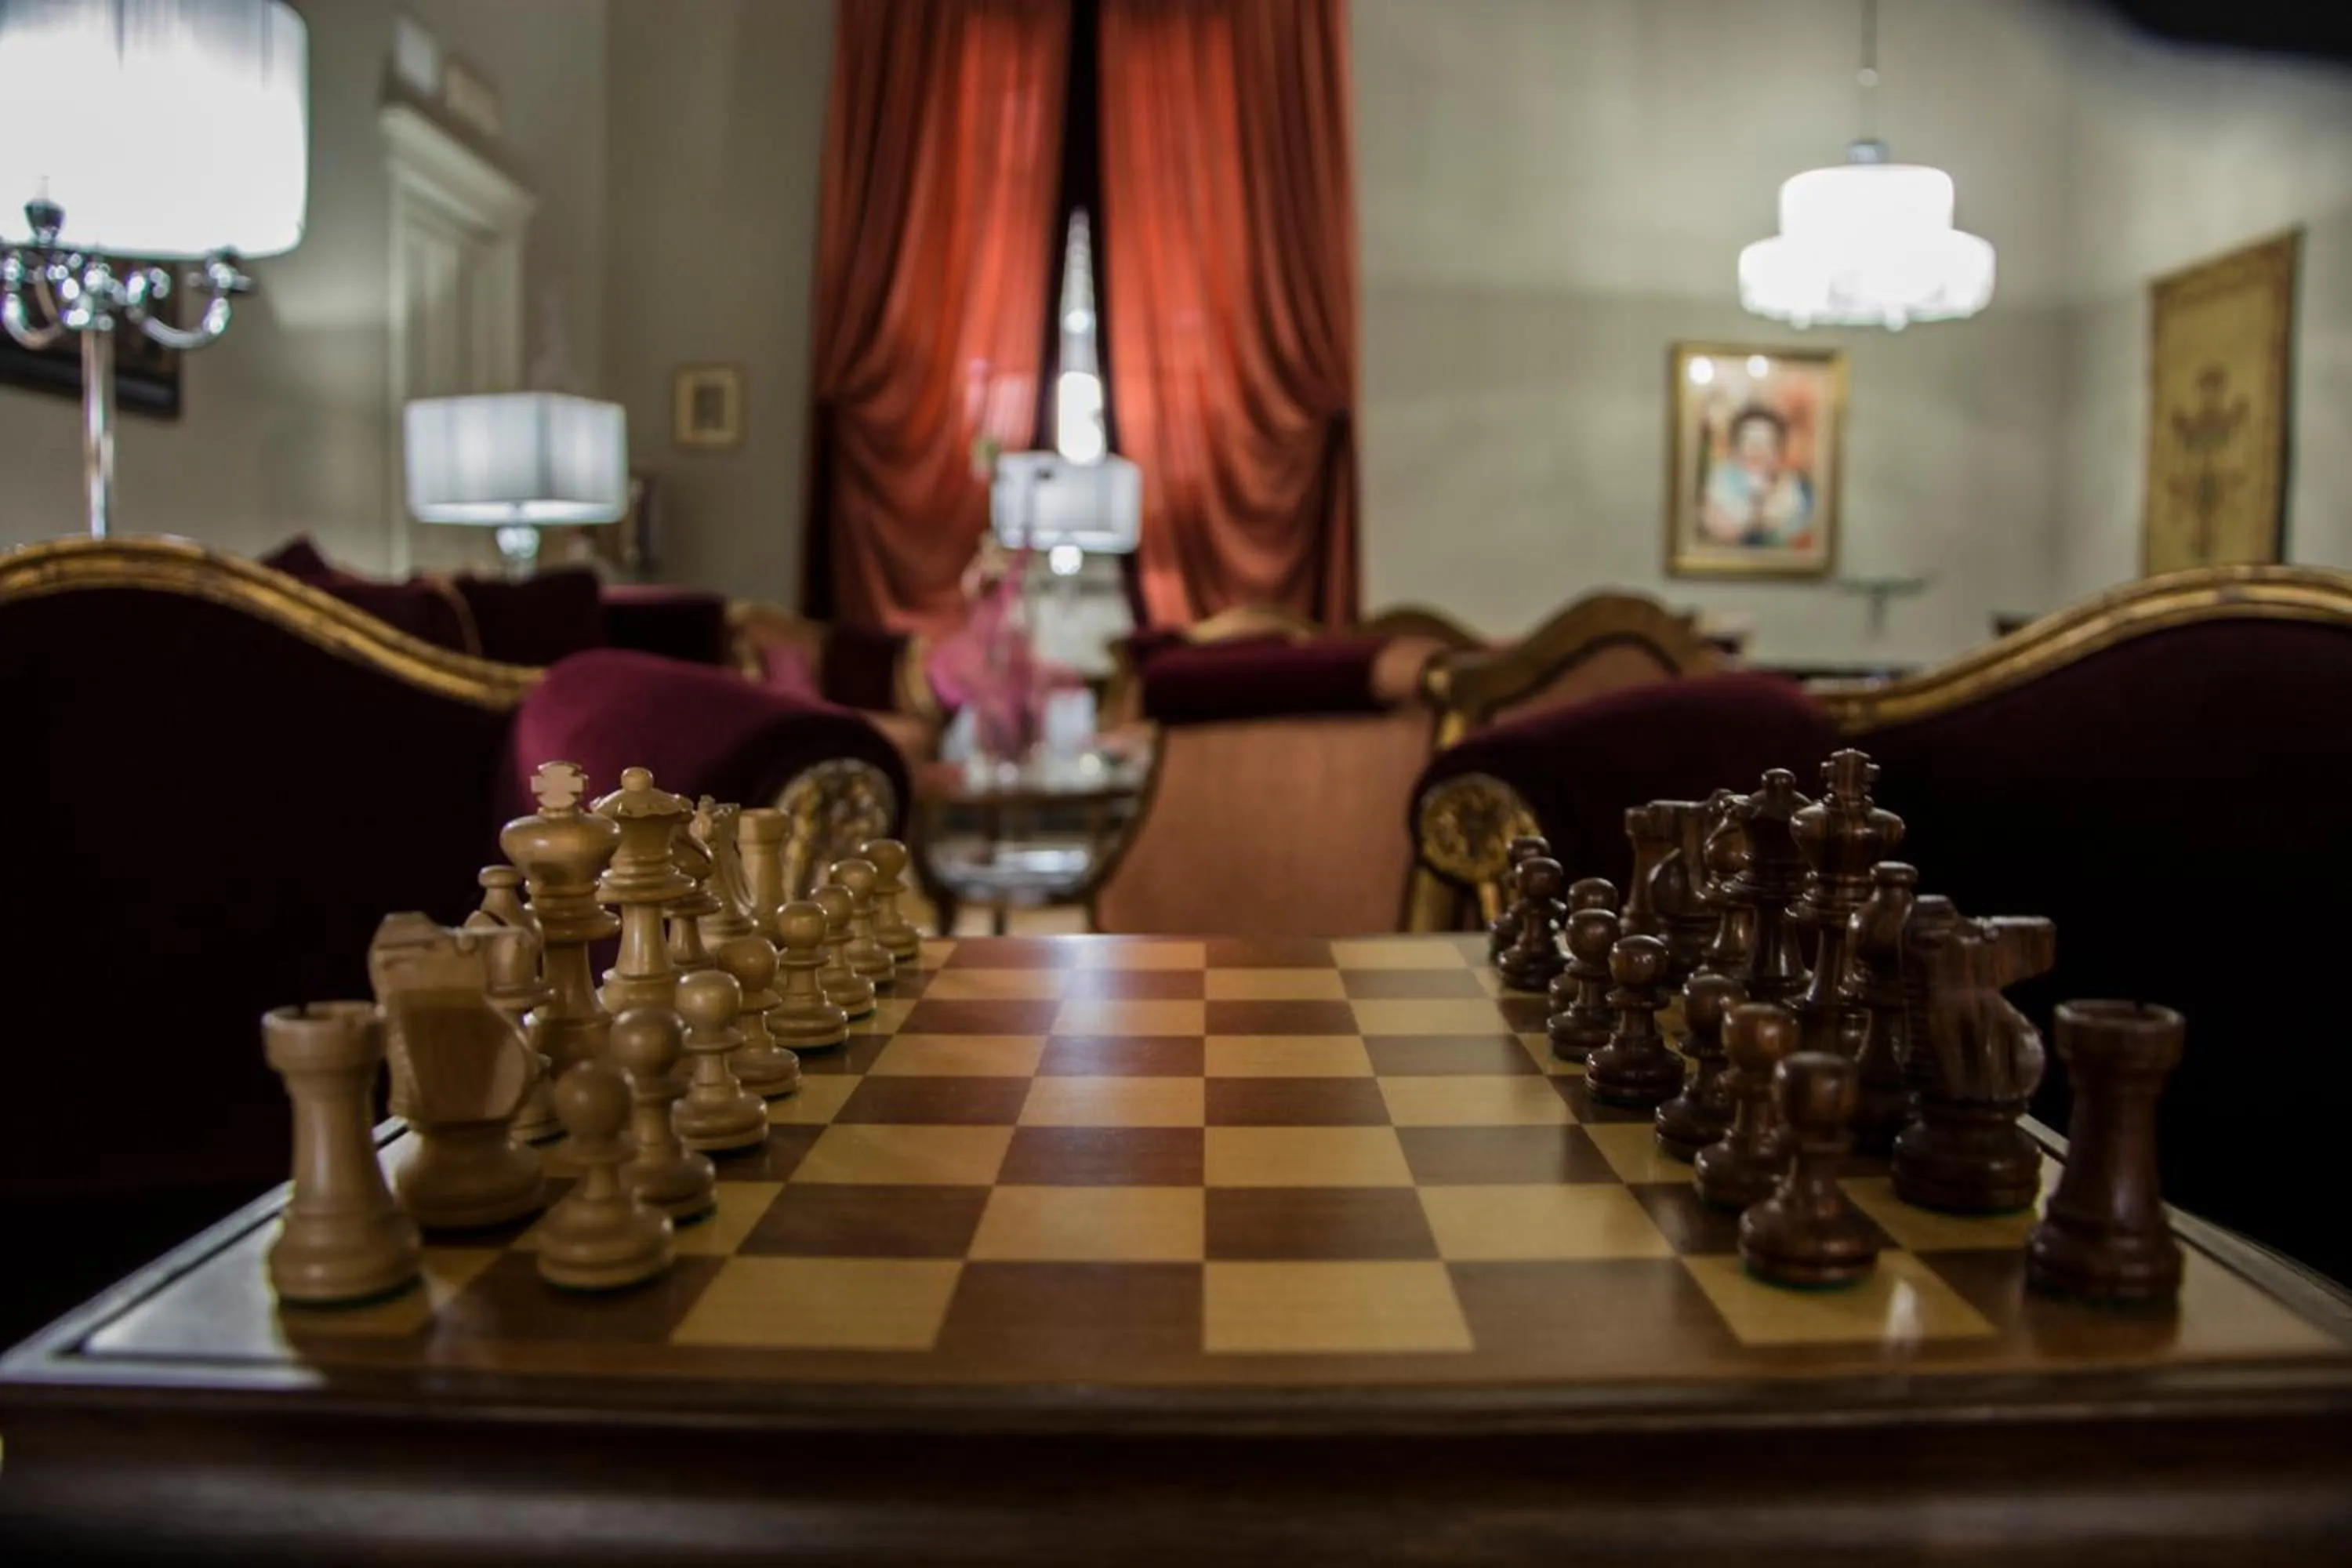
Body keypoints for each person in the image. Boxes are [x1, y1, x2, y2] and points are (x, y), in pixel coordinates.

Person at [1698, 405, 1813, 548]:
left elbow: (1795, 529)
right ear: (1734, 448)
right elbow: (1723, 529)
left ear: (1779, 452)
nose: (1756, 449)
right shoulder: (1719, 482)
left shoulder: (1793, 487)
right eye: (1748, 441)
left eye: (1767, 442)